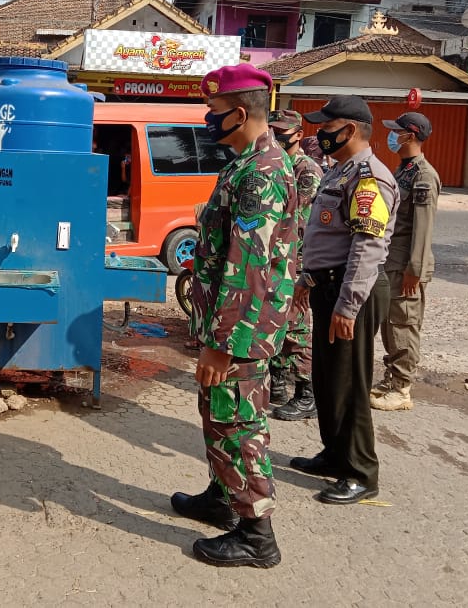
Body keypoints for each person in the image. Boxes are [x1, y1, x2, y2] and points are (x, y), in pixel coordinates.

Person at [170, 63, 297, 569]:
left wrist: (221, 342)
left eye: (214, 113)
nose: (208, 121)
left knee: (239, 422)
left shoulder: (262, 173)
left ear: (239, 114)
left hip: (240, 331)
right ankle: (223, 498)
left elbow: (249, 266)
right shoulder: (245, 162)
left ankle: (256, 534)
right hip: (231, 325)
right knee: (218, 416)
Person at [290, 96, 399, 504]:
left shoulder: (370, 177)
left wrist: (348, 305)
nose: (321, 134)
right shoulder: (341, 171)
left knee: (351, 383)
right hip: (328, 285)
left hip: (354, 290)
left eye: (327, 126)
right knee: (328, 378)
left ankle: (361, 471)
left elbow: (367, 246)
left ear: (349, 130)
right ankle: (335, 455)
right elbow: (326, 238)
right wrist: (307, 277)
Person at [372, 112, 440, 412]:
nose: (391, 136)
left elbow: (423, 229)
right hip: (392, 262)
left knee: (404, 325)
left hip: (406, 267)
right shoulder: (404, 170)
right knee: (390, 325)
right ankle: (392, 379)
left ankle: (402, 389)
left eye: (395, 131)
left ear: (409, 136)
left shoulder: (424, 176)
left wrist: (415, 270)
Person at [268, 109, 323, 421]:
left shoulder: (306, 170)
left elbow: (294, 220)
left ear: (298, 134)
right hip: (278, 260)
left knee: (295, 328)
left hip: (297, 262)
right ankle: (277, 382)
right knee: (275, 321)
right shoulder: (279, 165)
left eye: (281, 131)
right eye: (272, 130)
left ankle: (307, 393)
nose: (276, 137)